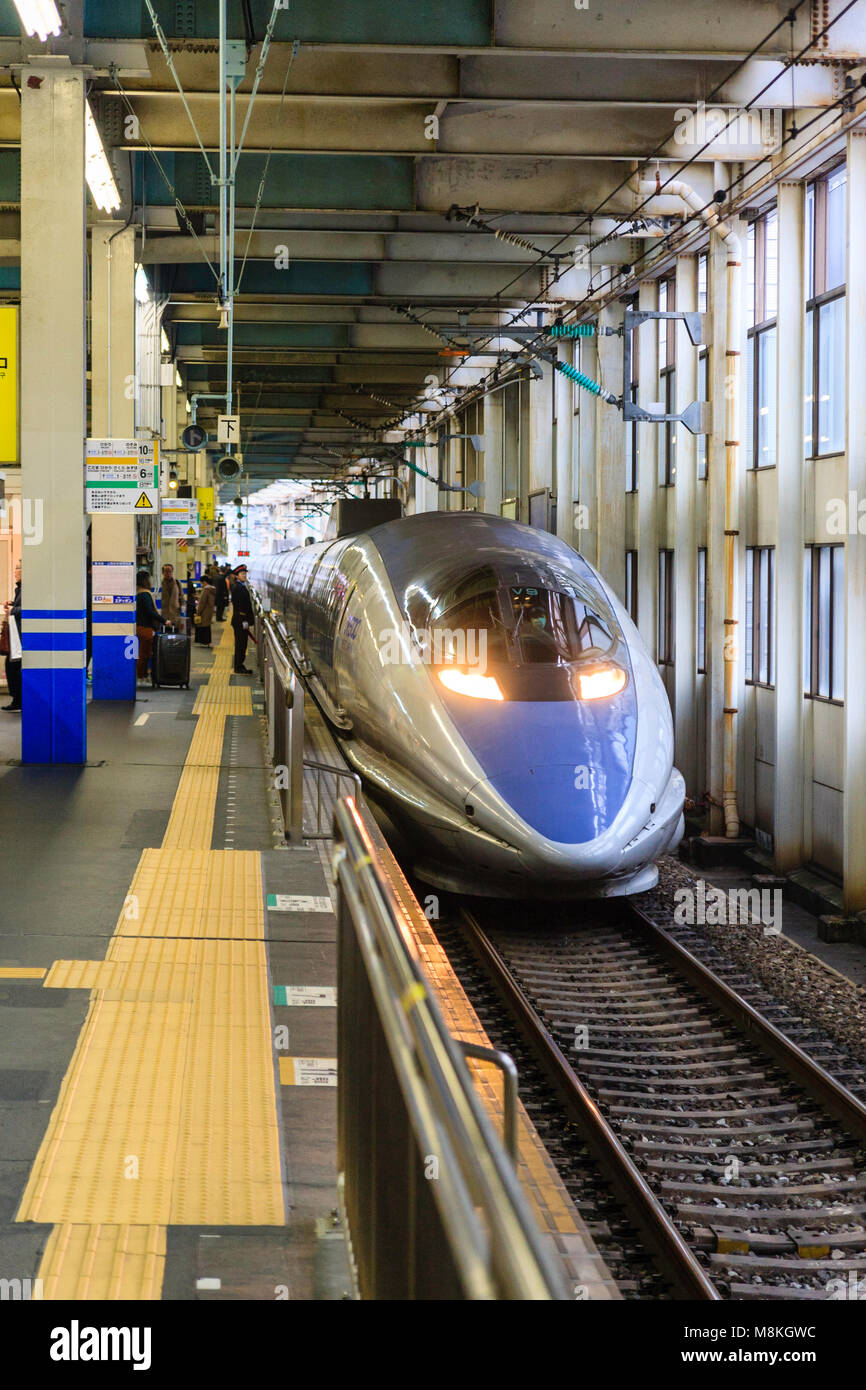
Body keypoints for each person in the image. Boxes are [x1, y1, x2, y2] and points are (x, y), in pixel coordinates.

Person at [135, 570, 163, 686]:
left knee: (144, 654)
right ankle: (141, 677)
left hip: (140, 627)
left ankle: (144, 675)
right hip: (145, 628)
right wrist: (164, 620)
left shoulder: (138, 593)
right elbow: (150, 612)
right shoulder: (145, 595)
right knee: (144, 654)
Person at [3, 558, 21, 712]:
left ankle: (18, 700)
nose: (15, 571)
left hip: (21, 637)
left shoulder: (27, 589)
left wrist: (13, 610)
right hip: (17, 635)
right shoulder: (20, 589)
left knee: (12, 666)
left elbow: (30, 608)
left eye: (18, 568)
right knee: (12, 666)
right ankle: (17, 699)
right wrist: (12, 604)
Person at [230, 563, 255, 674]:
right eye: (242, 574)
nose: (244, 576)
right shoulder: (238, 588)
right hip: (241, 620)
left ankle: (239, 665)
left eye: (245, 574)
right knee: (241, 644)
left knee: (242, 643)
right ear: (236, 576)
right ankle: (238, 666)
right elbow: (241, 607)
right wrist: (245, 621)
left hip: (240, 620)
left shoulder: (240, 586)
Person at [195, 571, 216, 647]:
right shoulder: (212, 589)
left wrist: (198, 611)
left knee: (203, 626)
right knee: (207, 626)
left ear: (204, 582)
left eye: (201, 583)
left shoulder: (206, 590)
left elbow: (202, 602)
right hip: (209, 611)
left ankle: (204, 642)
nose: (201, 584)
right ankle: (207, 642)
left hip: (204, 611)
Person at [160, 563, 181, 630]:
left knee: (175, 635)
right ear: (163, 572)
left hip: (174, 615)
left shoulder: (177, 583)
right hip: (163, 615)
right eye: (166, 571)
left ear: (172, 572)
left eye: (170, 571)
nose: (168, 573)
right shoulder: (160, 584)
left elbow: (181, 596)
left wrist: (182, 609)